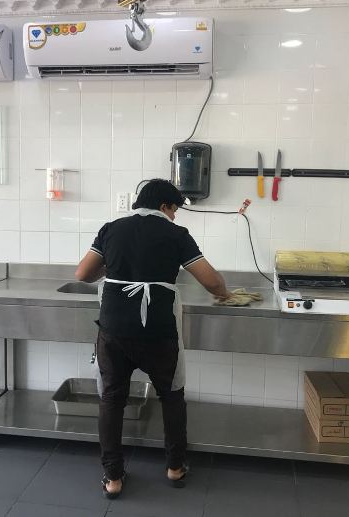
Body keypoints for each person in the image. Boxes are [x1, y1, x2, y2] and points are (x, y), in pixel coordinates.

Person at [75, 179, 233, 499]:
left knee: (112, 399)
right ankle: (175, 467)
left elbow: (83, 274)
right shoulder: (176, 234)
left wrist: (113, 267)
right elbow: (212, 282)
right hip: (158, 332)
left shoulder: (111, 229)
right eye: (175, 210)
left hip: (114, 330)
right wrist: (225, 294)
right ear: (165, 206)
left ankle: (113, 477)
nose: (175, 217)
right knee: (171, 396)